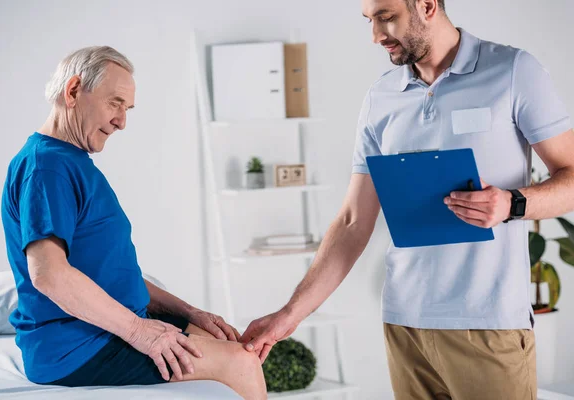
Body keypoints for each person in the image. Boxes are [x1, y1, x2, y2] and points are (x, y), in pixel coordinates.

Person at [240, 1, 574, 399]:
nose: (376, 35)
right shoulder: (381, 96)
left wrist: (512, 204)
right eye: (370, 20)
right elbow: (352, 221)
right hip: (405, 326)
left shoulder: (513, 71)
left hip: (489, 323)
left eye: (386, 17)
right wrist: (288, 316)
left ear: (427, 6)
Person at [1, 46, 266, 399]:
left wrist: (190, 312)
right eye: (115, 103)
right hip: (73, 347)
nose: (122, 121)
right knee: (241, 363)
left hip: (102, 330)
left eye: (127, 109)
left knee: (226, 340)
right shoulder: (47, 167)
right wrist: (141, 332)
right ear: (74, 90)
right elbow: (49, 275)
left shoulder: (70, 161)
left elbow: (109, 272)